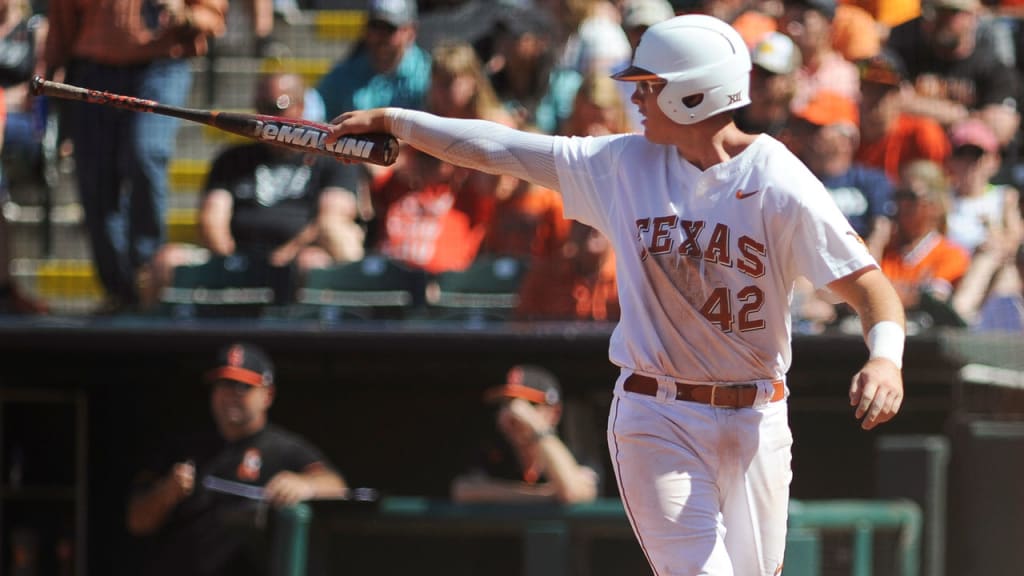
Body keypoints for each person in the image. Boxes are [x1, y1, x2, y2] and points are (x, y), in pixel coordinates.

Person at [327, 14, 906, 575]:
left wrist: (885, 359)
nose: (636, 99)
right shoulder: (623, 163)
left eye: (650, 87)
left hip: (758, 416)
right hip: (659, 413)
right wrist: (398, 120)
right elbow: (500, 147)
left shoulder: (778, 180)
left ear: (695, 96)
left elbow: (872, 290)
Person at [44, 0, 227, 314]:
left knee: (146, 152)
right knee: (96, 180)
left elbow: (213, 16)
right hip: (92, 70)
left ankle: (148, 271)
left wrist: (183, 15)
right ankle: (120, 291)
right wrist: (51, 77)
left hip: (160, 66)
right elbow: (61, 20)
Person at [139, 73, 365, 310]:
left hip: (298, 256)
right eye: (261, 107)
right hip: (236, 256)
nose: (267, 118)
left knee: (314, 262)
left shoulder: (330, 160)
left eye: (276, 107)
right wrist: (232, 260)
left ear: (301, 107)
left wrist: (284, 257)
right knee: (167, 260)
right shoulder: (232, 158)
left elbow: (329, 219)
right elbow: (211, 219)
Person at [126, 341, 348, 576]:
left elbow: (337, 486)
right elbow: (137, 521)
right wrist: (167, 491)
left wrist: (306, 484)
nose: (231, 394)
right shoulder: (183, 448)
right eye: (224, 384)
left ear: (267, 394)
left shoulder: (284, 448)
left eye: (243, 386)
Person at [451, 364, 600, 504]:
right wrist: (541, 496)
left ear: (555, 413)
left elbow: (573, 492)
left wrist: (536, 426)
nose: (514, 413)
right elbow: (462, 489)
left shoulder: (571, 449)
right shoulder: (493, 450)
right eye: (506, 403)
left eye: (529, 404)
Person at [784, 90, 895, 261]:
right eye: (803, 126)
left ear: (846, 138)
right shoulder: (790, 180)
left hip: (856, 270)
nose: (805, 134)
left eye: (816, 127)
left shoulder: (872, 182)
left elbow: (879, 235)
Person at [880, 159, 971, 320]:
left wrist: (882, 292)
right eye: (898, 196)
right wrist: (876, 241)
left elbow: (932, 302)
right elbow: (858, 293)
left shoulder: (951, 254)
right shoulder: (883, 249)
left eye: (910, 196)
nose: (902, 204)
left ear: (935, 205)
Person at [313, 0, 431, 122]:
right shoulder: (342, 76)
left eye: (390, 29)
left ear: (411, 32)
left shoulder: (429, 76)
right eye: (375, 26)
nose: (380, 36)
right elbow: (316, 115)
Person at [854, 49, 952, 184]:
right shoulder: (848, 135)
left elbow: (942, 187)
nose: (875, 98)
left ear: (901, 95)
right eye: (868, 88)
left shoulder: (922, 133)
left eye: (884, 91)